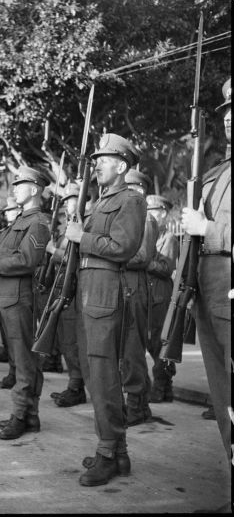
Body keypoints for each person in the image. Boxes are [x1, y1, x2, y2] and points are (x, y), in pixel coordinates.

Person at [64, 133, 146, 486]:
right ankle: (119, 452)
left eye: (104, 158)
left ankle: (108, 452)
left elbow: (123, 247)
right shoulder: (101, 200)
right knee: (97, 374)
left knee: (102, 376)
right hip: (91, 290)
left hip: (106, 293)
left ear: (122, 165)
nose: (96, 163)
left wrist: (82, 237)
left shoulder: (131, 200)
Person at [181, 77, 232, 470]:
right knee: (222, 394)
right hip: (208, 286)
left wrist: (207, 229)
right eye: (227, 111)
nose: (230, 118)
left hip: (233, 288)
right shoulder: (219, 171)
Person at [0, 166, 51, 440]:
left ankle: (21, 414)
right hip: (9, 299)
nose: (14, 188)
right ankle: (30, 415)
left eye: (19, 184)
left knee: (24, 361)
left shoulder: (37, 223)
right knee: (22, 359)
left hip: (21, 300)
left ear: (34, 189)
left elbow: (27, 261)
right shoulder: (19, 222)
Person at [122, 168, 159, 426]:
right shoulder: (131, 216)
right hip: (126, 288)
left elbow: (143, 257)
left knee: (133, 350)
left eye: (132, 189)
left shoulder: (146, 219)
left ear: (141, 191)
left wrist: (112, 254)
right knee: (127, 349)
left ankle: (135, 406)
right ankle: (141, 404)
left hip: (135, 289)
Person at [47, 182, 88, 408]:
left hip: (75, 289)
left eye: (71, 200)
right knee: (65, 339)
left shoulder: (85, 225)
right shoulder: (68, 227)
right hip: (62, 288)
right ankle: (74, 383)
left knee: (73, 341)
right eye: (66, 201)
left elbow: (78, 256)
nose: (67, 205)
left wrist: (54, 252)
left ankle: (77, 386)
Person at [145, 194, 178, 403]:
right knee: (151, 343)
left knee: (160, 344)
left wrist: (144, 262)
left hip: (161, 295)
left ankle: (160, 386)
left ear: (163, 213)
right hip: (149, 295)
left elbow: (166, 268)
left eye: (152, 212)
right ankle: (166, 389)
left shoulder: (168, 238)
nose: (148, 217)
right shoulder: (148, 236)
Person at [0, 196, 21, 390]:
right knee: (8, 337)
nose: (7, 214)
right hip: (3, 290)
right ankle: (13, 371)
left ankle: (19, 375)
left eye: (11, 210)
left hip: (17, 291)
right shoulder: (5, 232)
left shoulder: (24, 229)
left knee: (18, 340)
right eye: (6, 211)